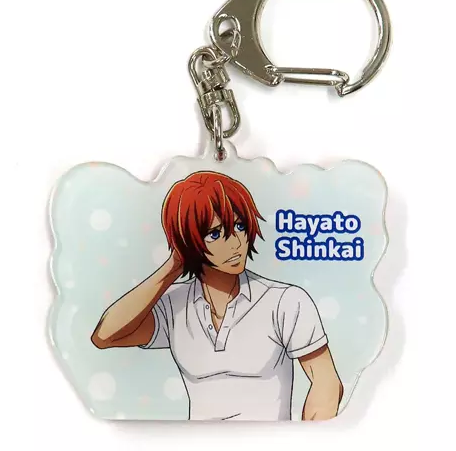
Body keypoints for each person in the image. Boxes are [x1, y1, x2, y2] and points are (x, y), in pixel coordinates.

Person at [91, 171, 343, 421]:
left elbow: (327, 384)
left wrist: (303, 439)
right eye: (215, 233)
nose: (236, 243)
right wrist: (173, 266)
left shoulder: (285, 301)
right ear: (188, 241)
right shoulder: (174, 306)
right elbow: (105, 336)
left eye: (240, 227)